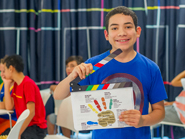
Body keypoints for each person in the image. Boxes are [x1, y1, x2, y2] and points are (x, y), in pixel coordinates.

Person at [54, 6, 167, 138]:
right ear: (106, 35)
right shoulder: (93, 65)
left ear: (137, 31)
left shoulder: (151, 68)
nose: (122, 33)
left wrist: (143, 120)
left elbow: (159, 111)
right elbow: (58, 95)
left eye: (128, 27)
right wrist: (72, 76)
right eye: (114, 28)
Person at [0, 55, 47, 139]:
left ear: (11, 69)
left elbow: (31, 112)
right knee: (1, 136)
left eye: (4, 70)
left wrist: (18, 132)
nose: (2, 74)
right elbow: (9, 107)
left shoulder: (28, 84)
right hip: (24, 126)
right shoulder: (16, 84)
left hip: (36, 128)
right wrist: (6, 85)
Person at [46, 56, 84, 137]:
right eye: (67, 66)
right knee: (51, 117)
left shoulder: (84, 80)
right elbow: (54, 88)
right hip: (64, 113)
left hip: (80, 113)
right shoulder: (66, 82)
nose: (68, 69)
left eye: (72, 66)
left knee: (64, 116)